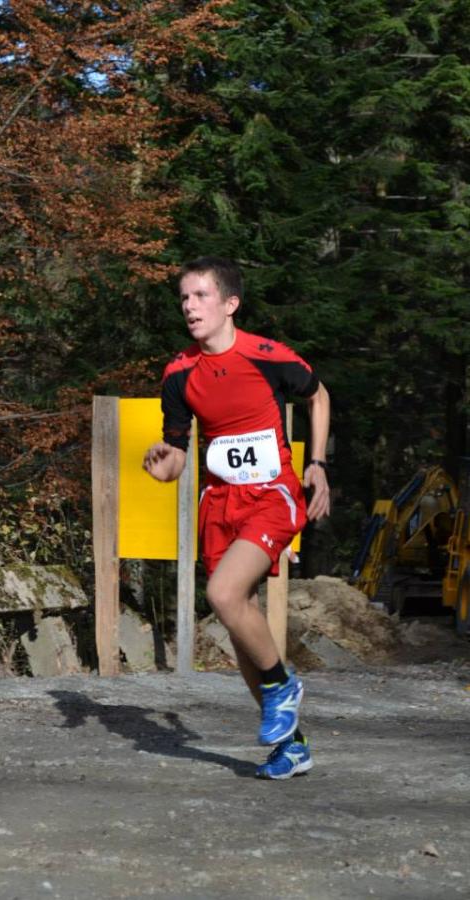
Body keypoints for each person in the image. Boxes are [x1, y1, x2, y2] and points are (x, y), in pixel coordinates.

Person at [143, 257, 330, 779]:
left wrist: (317, 464)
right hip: (219, 505)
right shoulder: (179, 374)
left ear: (230, 304)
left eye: (200, 296)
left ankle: (282, 687)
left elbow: (318, 397)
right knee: (239, 623)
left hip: (272, 495)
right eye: (184, 298)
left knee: (223, 594)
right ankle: (291, 745)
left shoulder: (267, 356)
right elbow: (177, 457)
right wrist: (162, 466)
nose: (189, 306)